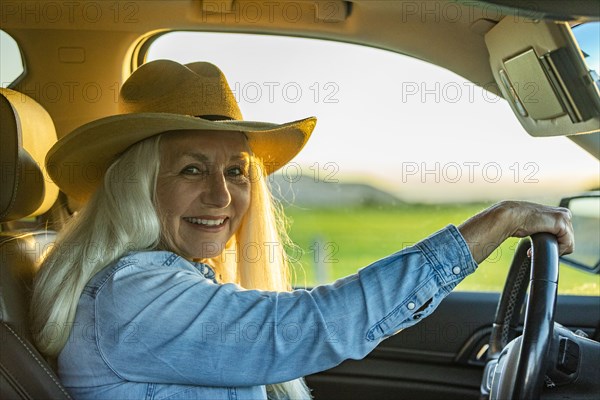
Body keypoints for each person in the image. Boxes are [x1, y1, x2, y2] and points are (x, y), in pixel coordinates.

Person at [31, 60, 573, 400]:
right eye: (191, 169)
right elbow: (310, 324)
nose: (221, 196)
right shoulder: (131, 296)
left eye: (237, 171)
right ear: (137, 187)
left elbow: (301, 313)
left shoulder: (167, 282)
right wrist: (497, 224)